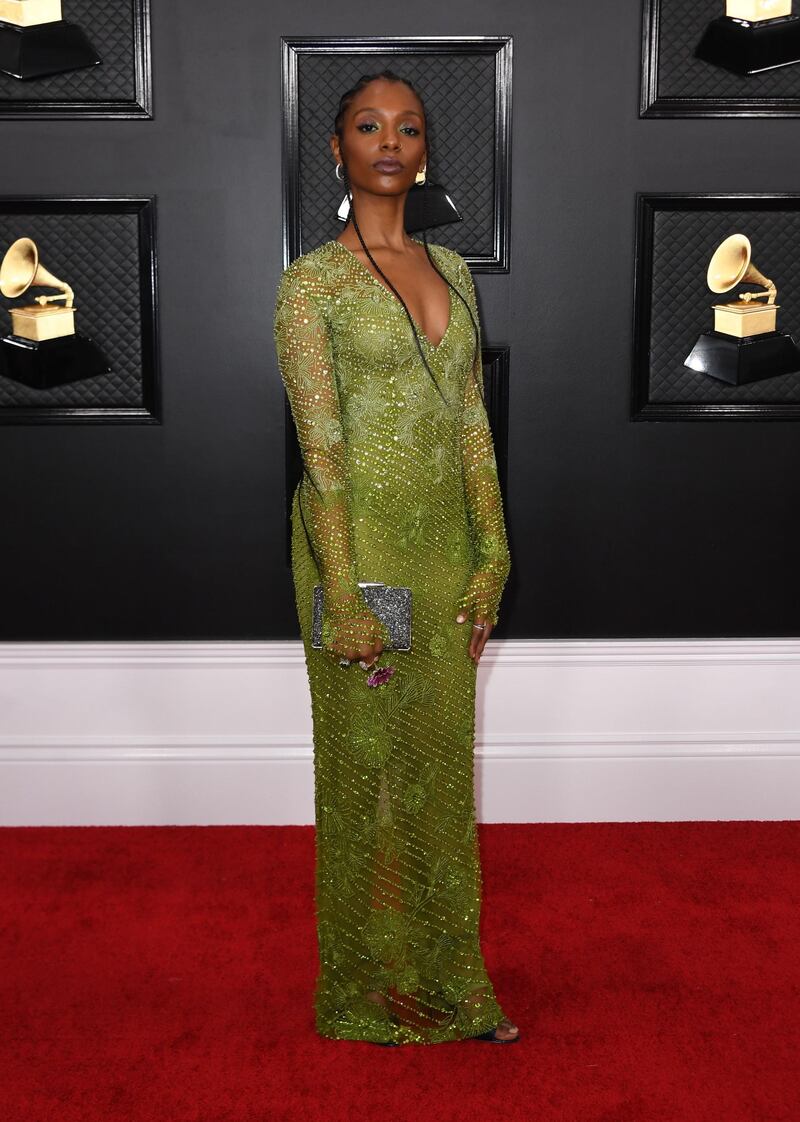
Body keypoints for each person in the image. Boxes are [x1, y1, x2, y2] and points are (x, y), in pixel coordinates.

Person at [273, 70, 516, 1045]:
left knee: (438, 771)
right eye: (367, 126)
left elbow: (469, 423)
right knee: (367, 772)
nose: (388, 140)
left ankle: (451, 979)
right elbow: (320, 452)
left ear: (424, 152)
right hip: (358, 555)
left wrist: (493, 554)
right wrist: (342, 594)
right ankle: (367, 989)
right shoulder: (311, 284)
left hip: (442, 547)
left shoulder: (451, 272)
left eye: (407, 127)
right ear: (335, 151)